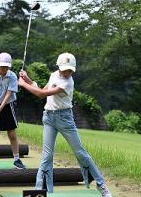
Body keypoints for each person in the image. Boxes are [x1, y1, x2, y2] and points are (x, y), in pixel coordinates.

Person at [18, 52, 112, 197]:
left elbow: (41, 95)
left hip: (65, 119)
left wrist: (23, 84)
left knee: (80, 153)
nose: (67, 72)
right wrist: (29, 80)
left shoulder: (68, 82)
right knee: (46, 156)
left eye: (70, 70)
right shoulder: (54, 74)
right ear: (59, 67)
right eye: (65, 69)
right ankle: (40, 191)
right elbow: (43, 90)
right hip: (48, 117)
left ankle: (101, 185)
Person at [0, 52, 26, 170]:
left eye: (6, 67)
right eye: (2, 66)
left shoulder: (12, 76)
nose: (4, 69)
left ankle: (17, 160)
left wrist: (0, 108)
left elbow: (9, 94)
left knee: (12, 133)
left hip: (8, 105)